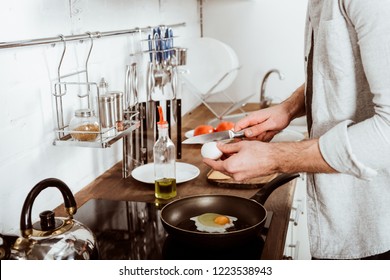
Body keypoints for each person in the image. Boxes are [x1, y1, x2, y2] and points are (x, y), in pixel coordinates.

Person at [203, 0, 390, 260]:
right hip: (339, 216)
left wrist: (274, 157)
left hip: (375, 225)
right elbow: (339, 73)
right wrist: (288, 109)